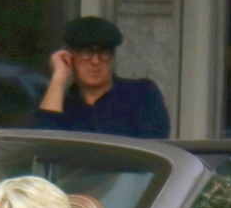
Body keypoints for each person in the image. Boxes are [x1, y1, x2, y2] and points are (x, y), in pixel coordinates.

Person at [33, 16, 170, 139]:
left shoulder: (141, 94)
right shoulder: (59, 104)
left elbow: (155, 147)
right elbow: (42, 144)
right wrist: (59, 77)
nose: (95, 61)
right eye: (86, 52)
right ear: (70, 56)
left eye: (104, 52)